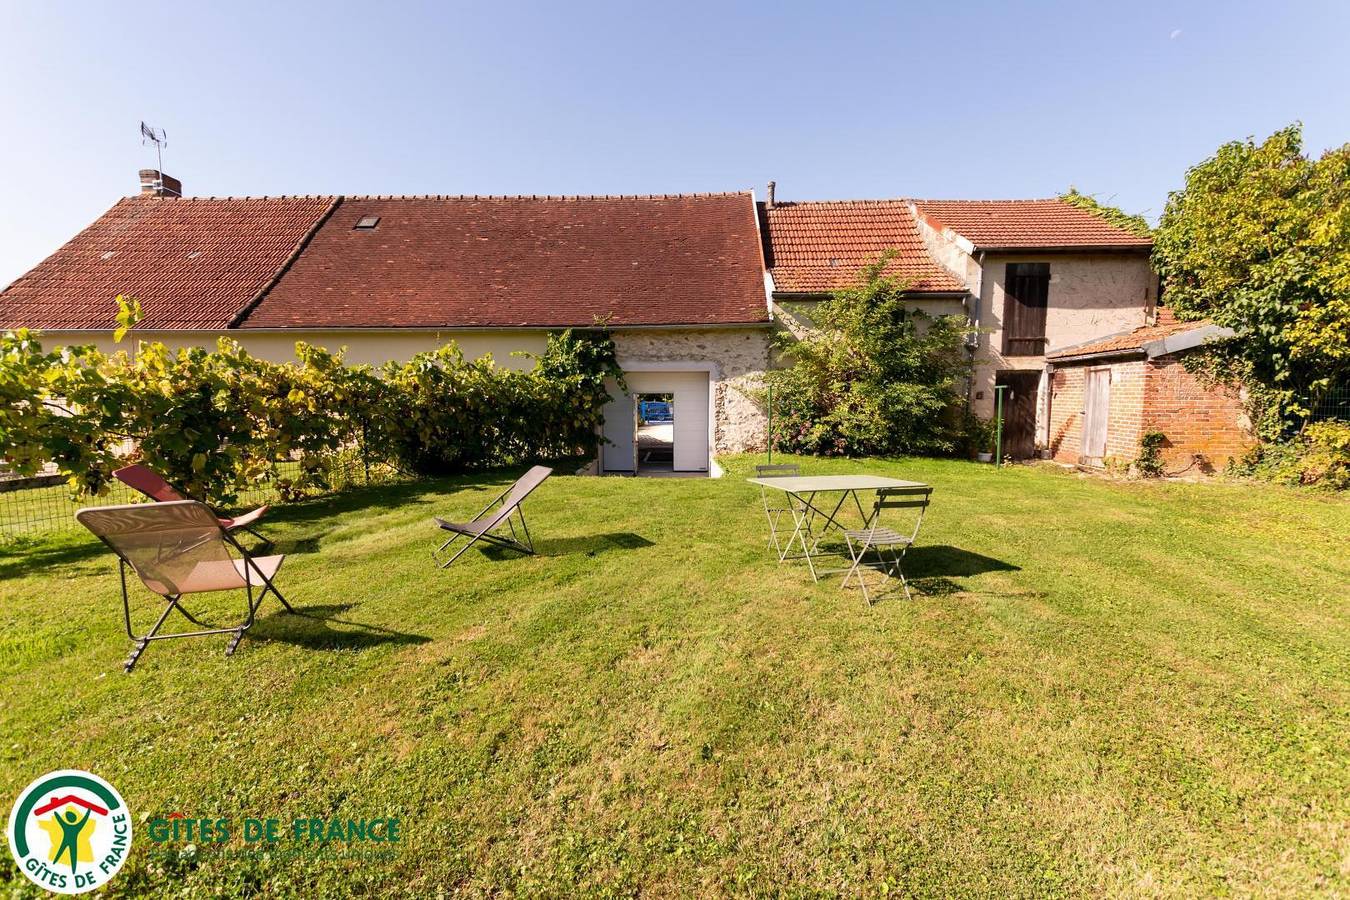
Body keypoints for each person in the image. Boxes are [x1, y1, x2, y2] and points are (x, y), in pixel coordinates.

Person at [52, 807, 92, 874]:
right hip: (72, 843)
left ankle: (54, 864)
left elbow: (59, 819)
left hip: (67, 841)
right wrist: (89, 811)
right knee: (73, 857)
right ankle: (73, 871)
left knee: (59, 854)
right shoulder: (78, 826)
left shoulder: (65, 825)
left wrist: (55, 811)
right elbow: (85, 819)